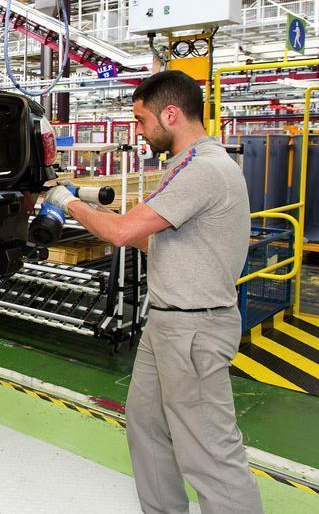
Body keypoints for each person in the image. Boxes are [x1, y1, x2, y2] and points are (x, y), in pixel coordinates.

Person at [45, 70, 262, 514]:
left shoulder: (206, 168)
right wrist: (105, 218)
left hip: (195, 327)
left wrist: (67, 202)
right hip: (165, 322)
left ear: (171, 113)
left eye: (142, 121)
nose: (139, 131)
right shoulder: (182, 165)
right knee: (145, 426)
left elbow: (125, 234)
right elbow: (152, 238)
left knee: (210, 454)